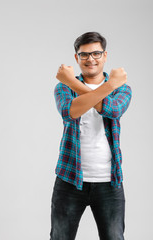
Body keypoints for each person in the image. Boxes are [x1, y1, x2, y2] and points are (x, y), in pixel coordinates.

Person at [50, 32, 132, 240]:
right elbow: (70, 112)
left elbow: (112, 110)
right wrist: (108, 85)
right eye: (84, 54)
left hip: (109, 181)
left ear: (105, 56)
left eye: (96, 53)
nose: (90, 59)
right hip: (70, 179)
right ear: (77, 58)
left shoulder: (121, 89)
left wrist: (108, 86)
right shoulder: (62, 87)